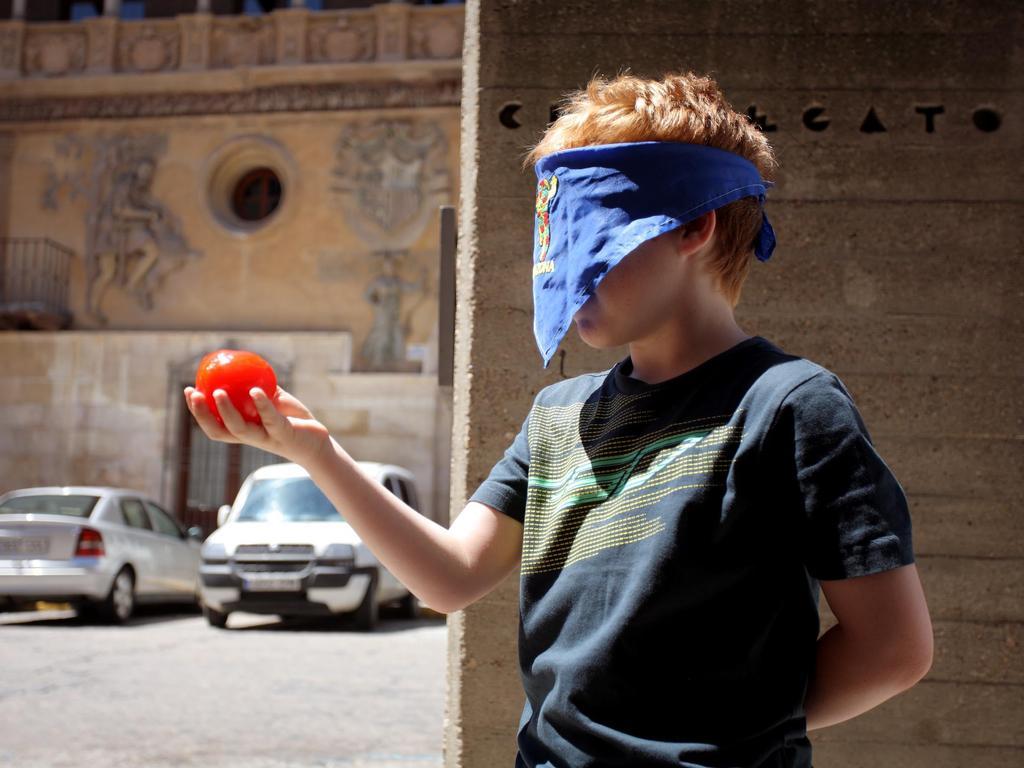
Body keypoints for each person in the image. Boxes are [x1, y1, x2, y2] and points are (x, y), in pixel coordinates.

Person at [184, 70, 934, 768]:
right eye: (555, 234)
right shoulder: (558, 416)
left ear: (693, 226)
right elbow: (447, 579)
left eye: (593, 229)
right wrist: (317, 454)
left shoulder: (790, 406)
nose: (562, 266)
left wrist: (726, 730)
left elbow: (893, 648)